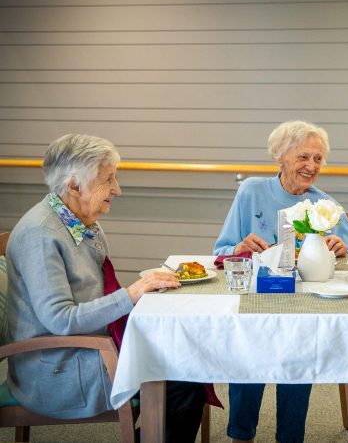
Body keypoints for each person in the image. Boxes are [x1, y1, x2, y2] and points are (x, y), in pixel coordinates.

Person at [6, 134, 216, 443]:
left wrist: (141, 293)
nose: (117, 189)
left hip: (91, 344)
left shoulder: (80, 221)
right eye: (108, 180)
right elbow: (60, 319)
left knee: (184, 355)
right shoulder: (40, 234)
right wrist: (132, 294)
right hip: (57, 365)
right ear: (74, 185)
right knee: (182, 378)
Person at [214, 120, 348, 443]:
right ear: (280, 156)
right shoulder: (251, 191)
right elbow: (221, 252)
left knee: (298, 350)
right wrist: (238, 248)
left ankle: (290, 437)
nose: (312, 166)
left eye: (318, 159)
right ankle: (241, 434)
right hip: (258, 299)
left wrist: (341, 250)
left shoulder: (326, 206)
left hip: (303, 307)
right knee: (248, 345)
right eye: (304, 157)